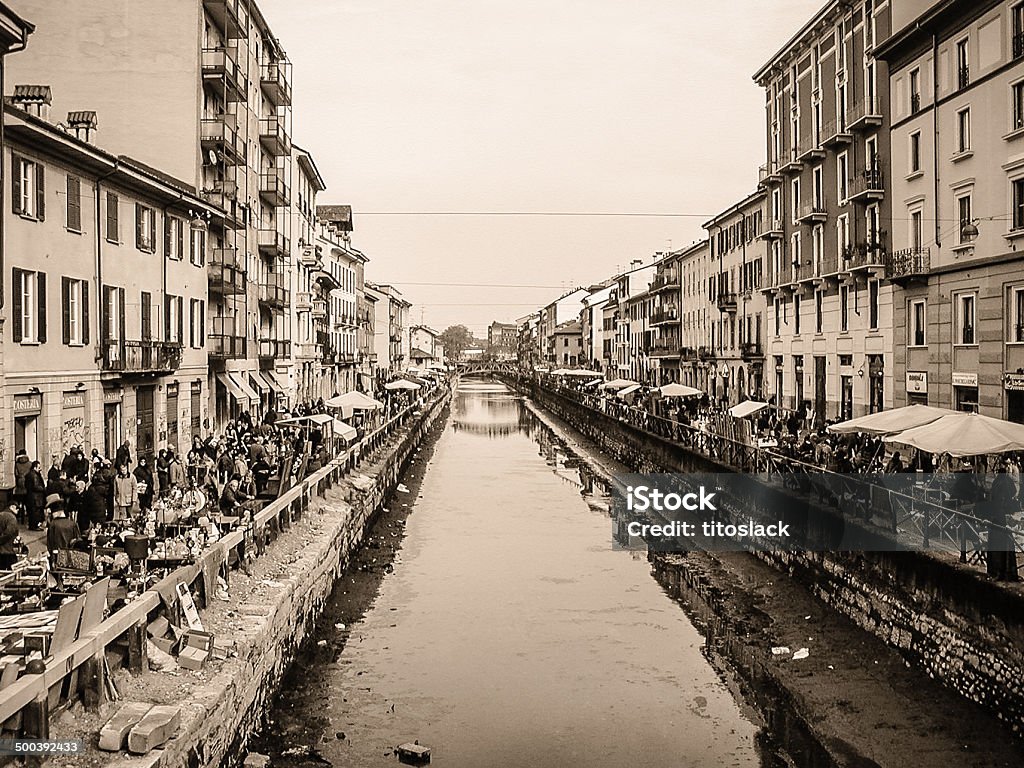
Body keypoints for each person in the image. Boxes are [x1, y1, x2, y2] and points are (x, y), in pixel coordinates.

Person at [25, 460, 46, 531]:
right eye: (39, 467)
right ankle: (35, 526)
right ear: (35, 467)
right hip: (36, 497)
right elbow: (36, 486)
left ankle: (33, 525)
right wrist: (44, 489)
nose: (40, 469)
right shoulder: (34, 475)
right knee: (35, 513)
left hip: (30, 496)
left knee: (32, 512)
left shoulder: (28, 474)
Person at [13, 449, 31, 522]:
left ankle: (19, 516)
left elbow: (16, 474)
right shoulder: (30, 463)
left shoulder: (17, 464)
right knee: (28, 502)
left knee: (19, 502)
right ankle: (28, 517)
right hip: (27, 484)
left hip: (20, 484)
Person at [0, 504, 19, 570]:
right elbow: (9, 533)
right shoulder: (11, 517)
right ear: (12, 507)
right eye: (17, 508)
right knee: (12, 571)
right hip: (8, 550)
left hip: (2, 551)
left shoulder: (1, 514)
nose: (18, 510)